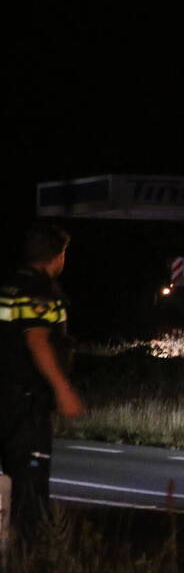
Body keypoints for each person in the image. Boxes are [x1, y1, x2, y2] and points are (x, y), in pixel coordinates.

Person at [0, 224, 85, 535]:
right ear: (58, 255)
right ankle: (26, 554)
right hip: (26, 401)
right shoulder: (40, 290)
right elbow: (37, 340)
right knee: (30, 490)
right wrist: (63, 390)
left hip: (6, 394)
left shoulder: (9, 286)